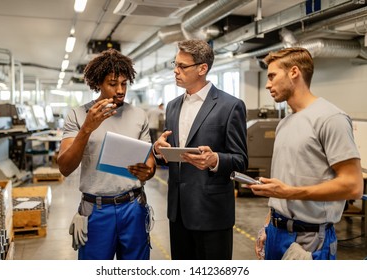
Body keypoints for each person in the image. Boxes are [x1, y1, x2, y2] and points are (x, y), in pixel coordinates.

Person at [249, 47, 363, 260]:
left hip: (310, 239)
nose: (267, 85)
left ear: (294, 72)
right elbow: (282, 184)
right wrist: (268, 226)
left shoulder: (331, 118)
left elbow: (353, 186)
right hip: (276, 231)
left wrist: (290, 192)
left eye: (272, 76)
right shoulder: (285, 123)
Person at [153, 39, 248, 260]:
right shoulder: (173, 106)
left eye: (182, 66)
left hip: (211, 212)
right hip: (178, 212)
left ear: (202, 68)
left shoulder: (230, 106)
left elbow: (241, 160)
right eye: (174, 65)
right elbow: (171, 151)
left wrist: (215, 160)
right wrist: (159, 150)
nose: (175, 71)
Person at [57, 49, 156, 260]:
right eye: (112, 84)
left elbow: (149, 162)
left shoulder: (138, 115)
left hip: (133, 208)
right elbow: (65, 167)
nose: (120, 90)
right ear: (98, 84)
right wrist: (86, 129)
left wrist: (147, 172)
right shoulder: (78, 115)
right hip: (96, 210)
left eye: (124, 83)